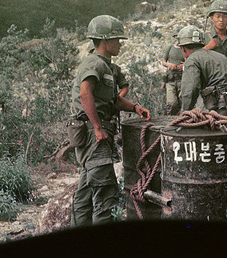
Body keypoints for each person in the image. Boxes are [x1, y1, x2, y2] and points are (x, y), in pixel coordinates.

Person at [69, 15, 150, 226]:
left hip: (93, 134)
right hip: (94, 135)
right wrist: (97, 127)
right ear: (105, 41)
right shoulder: (94, 63)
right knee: (105, 193)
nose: (120, 44)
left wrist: (135, 107)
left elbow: (112, 100)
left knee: (86, 192)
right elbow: (84, 93)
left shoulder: (106, 66)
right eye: (117, 39)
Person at [178, 25, 227, 116]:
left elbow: (191, 89)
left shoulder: (191, 61)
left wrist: (185, 111)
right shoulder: (219, 56)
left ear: (183, 48)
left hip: (222, 108)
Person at [161, 25, 184, 115]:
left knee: (184, 103)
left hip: (182, 79)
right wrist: (169, 65)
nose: (178, 39)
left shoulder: (185, 48)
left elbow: (191, 61)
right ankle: (170, 121)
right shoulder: (170, 48)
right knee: (171, 103)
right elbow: (163, 62)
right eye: (176, 37)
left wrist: (184, 66)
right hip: (170, 80)